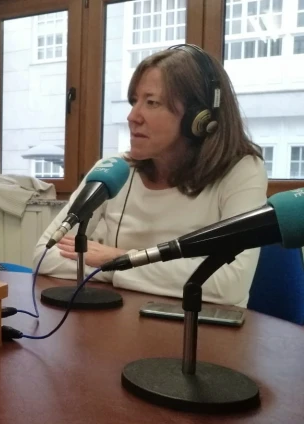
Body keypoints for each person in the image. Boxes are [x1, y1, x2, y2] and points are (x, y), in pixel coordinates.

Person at [34, 44, 267, 307]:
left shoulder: (242, 171)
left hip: (203, 325)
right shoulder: (113, 170)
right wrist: (120, 268)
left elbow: (230, 284)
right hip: (118, 321)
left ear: (199, 118)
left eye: (152, 102)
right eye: (135, 101)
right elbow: (45, 255)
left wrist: (116, 259)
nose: (133, 116)